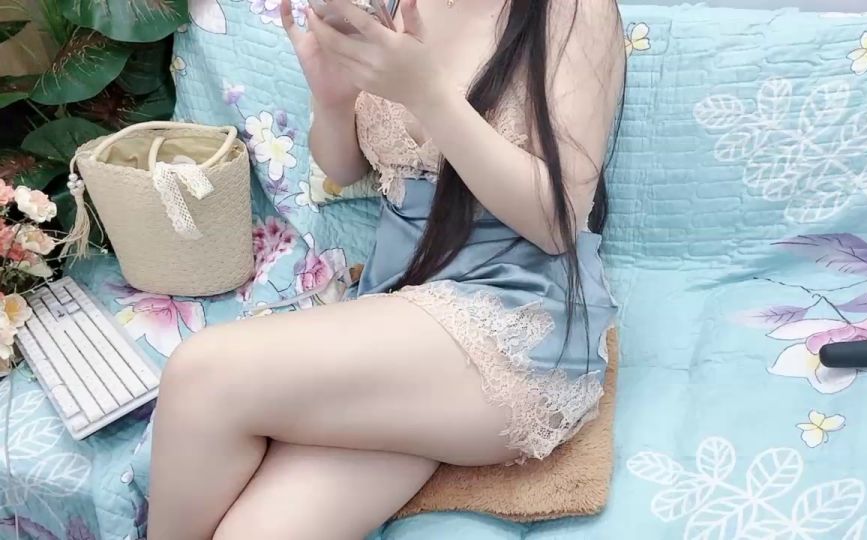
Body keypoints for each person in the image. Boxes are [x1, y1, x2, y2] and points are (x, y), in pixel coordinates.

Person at [146, 0, 624, 538]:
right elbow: (345, 165)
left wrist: (428, 93)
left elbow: (558, 223)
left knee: (201, 376)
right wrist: (333, 99)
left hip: (512, 321)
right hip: (400, 317)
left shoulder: (574, 12)